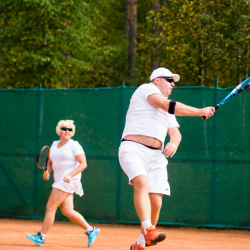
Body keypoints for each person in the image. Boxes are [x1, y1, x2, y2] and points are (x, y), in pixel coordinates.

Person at [118, 67, 215, 250]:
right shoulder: (146, 89)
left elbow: (175, 133)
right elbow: (169, 105)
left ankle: (139, 245)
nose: (172, 84)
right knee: (142, 184)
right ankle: (148, 229)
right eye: (169, 80)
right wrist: (199, 111)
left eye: (174, 81)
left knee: (156, 202)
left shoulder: (167, 110)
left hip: (156, 156)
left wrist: (174, 143)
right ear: (156, 80)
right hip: (133, 149)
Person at [26, 120, 100, 247]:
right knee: (67, 211)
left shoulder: (74, 145)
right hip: (60, 179)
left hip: (69, 180)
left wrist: (70, 175)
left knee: (50, 207)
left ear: (72, 133)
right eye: (64, 128)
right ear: (59, 130)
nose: (67, 131)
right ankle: (91, 230)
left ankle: (41, 237)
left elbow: (83, 164)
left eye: (70, 130)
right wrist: (47, 172)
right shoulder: (54, 144)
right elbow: (49, 163)